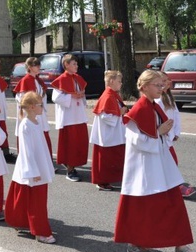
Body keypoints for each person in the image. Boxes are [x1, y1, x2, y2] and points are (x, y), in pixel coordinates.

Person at [114, 69, 196, 252]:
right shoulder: (138, 110)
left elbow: (157, 133)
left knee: (173, 204)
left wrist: (161, 131)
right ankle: (137, 243)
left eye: (162, 84)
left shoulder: (154, 106)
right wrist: (158, 131)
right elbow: (136, 142)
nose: (161, 88)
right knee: (146, 210)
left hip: (161, 166)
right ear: (144, 87)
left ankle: (181, 246)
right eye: (157, 85)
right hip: (146, 170)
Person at [4, 91, 56, 244]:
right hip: (32, 169)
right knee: (37, 202)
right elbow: (26, 152)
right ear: (32, 107)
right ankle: (40, 232)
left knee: (27, 198)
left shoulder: (36, 122)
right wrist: (33, 172)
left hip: (39, 166)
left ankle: (21, 222)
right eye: (41, 105)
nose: (43, 108)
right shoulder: (25, 125)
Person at [51, 54, 89, 182]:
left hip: (79, 116)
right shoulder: (61, 79)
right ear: (66, 65)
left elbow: (81, 95)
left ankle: (73, 166)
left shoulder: (78, 78)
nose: (76, 66)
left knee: (79, 143)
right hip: (68, 118)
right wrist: (72, 96)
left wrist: (81, 95)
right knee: (70, 145)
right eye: (74, 64)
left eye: (77, 64)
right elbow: (55, 98)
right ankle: (70, 170)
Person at [157, 72, 196, 198]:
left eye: (168, 80)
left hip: (169, 137)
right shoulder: (158, 101)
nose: (167, 82)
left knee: (171, 161)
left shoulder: (168, 98)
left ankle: (171, 186)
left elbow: (176, 116)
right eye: (164, 80)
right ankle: (175, 187)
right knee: (170, 162)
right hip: (163, 137)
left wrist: (176, 132)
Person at [89, 70, 126, 191]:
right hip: (107, 134)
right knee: (105, 158)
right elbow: (105, 116)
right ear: (111, 81)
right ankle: (102, 181)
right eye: (119, 81)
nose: (121, 83)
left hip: (113, 133)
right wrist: (119, 113)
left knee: (115, 156)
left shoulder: (113, 95)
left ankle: (112, 178)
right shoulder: (108, 96)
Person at [13, 57, 51, 155]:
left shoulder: (37, 80)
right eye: (36, 65)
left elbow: (42, 95)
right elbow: (22, 98)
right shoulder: (25, 80)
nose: (39, 67)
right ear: (29, 67)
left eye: (39, 65)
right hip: (30, 113)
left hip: (39, 112)